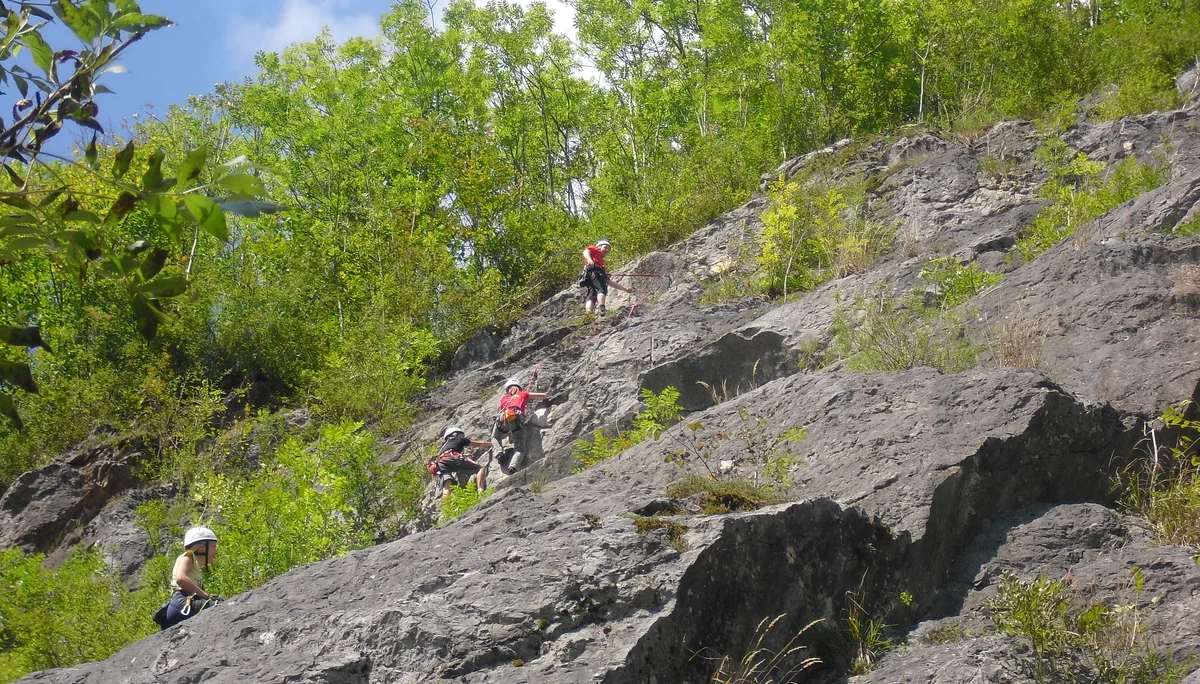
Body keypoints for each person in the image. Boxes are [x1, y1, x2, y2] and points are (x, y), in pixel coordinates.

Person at [157, 527, 222, 630]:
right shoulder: (188, 556)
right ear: (201, 547)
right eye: (213, 546)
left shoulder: (195, 568)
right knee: (220, 605)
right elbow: (180, 578)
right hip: (183, 603)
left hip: (181, 606)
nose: (216, 552)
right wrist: (207, 596)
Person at [492, 378, 551, 474]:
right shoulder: (523, 393)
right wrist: (547, 403)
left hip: (502, 418)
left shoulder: (504, 398)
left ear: (507, 389)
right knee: (519, 449)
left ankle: (498, 452)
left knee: (495, 437)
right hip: (517, 420)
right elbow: (543, 395)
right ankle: (513, 467)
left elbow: (501, 409)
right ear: (519, 387)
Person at [430, 426, 491, 504]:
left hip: (440, 464)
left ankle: (446, 506)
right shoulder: (458, 439)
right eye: (461, 435)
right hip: (453, 459)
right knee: (480, 469)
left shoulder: (443, 448)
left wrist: (465, 455)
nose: (462, 437)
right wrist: (491, 443)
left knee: (447, 483)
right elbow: (477, 444)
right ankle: (480, 491)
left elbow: (448, 454)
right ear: (455, 434)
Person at [580, 239, 631, 315]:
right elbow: (586, 251)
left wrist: (625, 289)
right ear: (599, 247)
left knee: (592, 294)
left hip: (588, 275)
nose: (607, 250)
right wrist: (589, 260)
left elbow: (609, 282)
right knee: (601, 289)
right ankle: (602, 308)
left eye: (608, 249)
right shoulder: (595, 249)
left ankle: (589, 314)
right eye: (605, 247)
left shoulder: (600, 262)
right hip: (595, 271)